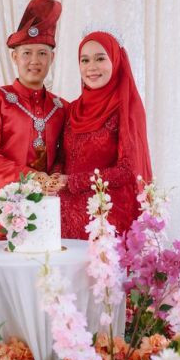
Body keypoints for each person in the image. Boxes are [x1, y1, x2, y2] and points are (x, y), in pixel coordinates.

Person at [0, 0, 68, 241]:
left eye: (42, 53)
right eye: (27, 53)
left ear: (52, 58)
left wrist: (54, 177)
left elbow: (63, 156)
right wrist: (30, 176)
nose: (34, 61)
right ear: (15, 57)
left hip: (43, 216)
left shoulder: (62, 108)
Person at [55, 30, 152, 238]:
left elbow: (128, 169)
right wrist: (55, 177)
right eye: (85, 60)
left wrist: (72, 181)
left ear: (116, 61)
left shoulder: (126, 109)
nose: (91, 67)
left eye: (100, 58)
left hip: (106, 221)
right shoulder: (72, 109)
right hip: (66, 221)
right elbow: (63, 157)